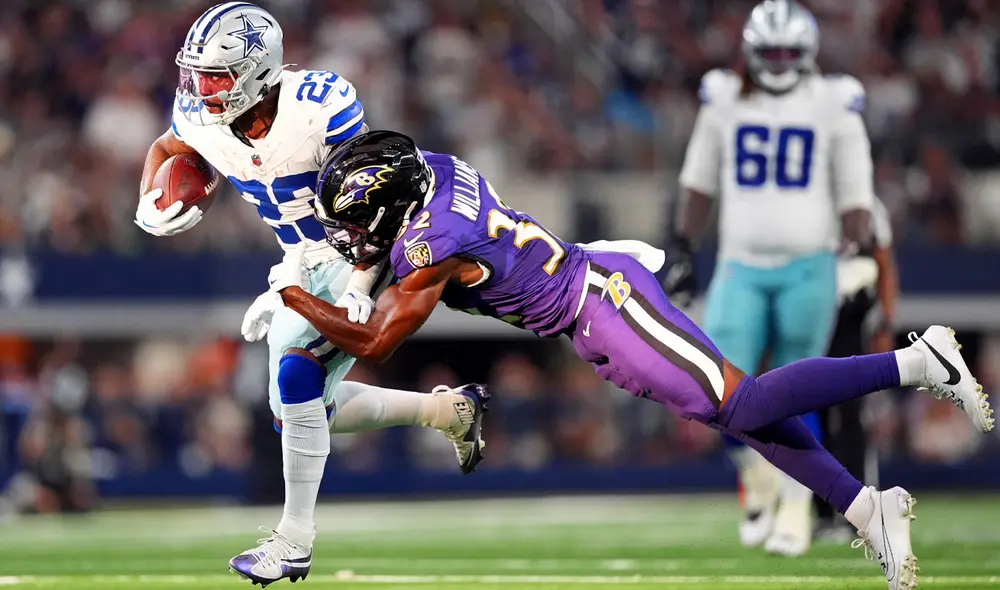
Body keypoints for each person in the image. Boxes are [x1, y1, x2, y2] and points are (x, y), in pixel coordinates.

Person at [246, 129, 994, 590]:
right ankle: (869, 511)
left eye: (353, 223)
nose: (349, 238)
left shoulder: (426, 240)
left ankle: (918, 363)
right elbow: (398, 264)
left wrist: (292, 295)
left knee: (742, 402)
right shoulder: (435, 169)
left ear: (390, 203)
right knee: (736, 413)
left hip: (601, 300)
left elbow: (378, 341)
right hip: (589, 304)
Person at [133, 4, 489, 586]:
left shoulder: (319, 106)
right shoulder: (200, 113)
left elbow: (372, 209)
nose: (201, 90)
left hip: (363, 247)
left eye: (216, 77)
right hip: (298, 257)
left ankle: (293, 542)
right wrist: (150, 201)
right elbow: (168, 149)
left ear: (257, 72)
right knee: (299, 412)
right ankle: (449, 410)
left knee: (297, 379)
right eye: (195, 75)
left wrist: (356, 284)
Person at [665, 0, 875, 556]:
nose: (779, 61)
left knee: (797, 387)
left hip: (811, 264)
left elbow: (856, 195)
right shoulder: (724, 100)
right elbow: (698, 183)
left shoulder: (835, 105)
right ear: (752, 54)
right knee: (717, 388)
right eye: (770, 52)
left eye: (787, 52)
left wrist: (860, 245)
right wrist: (683, 245)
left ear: (805, 55)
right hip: (740, 264)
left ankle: (796, 504)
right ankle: (758, 478)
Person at [814, 196, 899, 541]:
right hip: (812, 315)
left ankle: (856, 513)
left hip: (851, 317)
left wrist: (885, 323)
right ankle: (820, 513)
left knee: (850, 414)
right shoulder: (807, 199)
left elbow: (883, 262)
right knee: (811, 414)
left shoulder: (869, 206)